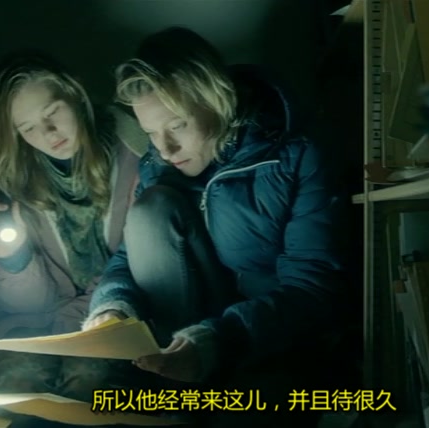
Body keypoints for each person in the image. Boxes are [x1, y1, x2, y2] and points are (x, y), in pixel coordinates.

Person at [83, 27, 355, 427]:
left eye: (177, 126)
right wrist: (112, 307)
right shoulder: (158, 165)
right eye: (151, 133)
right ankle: (174, 388)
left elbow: (312, 289)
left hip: (267, 339)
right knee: (148, 210)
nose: (164, 149)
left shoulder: (297, 156)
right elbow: (128, 257)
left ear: (217, 97)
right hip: (181, 344)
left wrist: (220, 339)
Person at [0, 52, 152, 403]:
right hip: (38, 323)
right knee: (5, 386)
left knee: (88, 382)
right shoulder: (17, 181)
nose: (48, 134)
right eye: (28, 128)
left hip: (117, 316)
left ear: (75, 95)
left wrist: (90, 319)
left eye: (52, 113)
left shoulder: (139, 157)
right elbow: (28, 305)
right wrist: (14, 259)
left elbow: (141, 270)